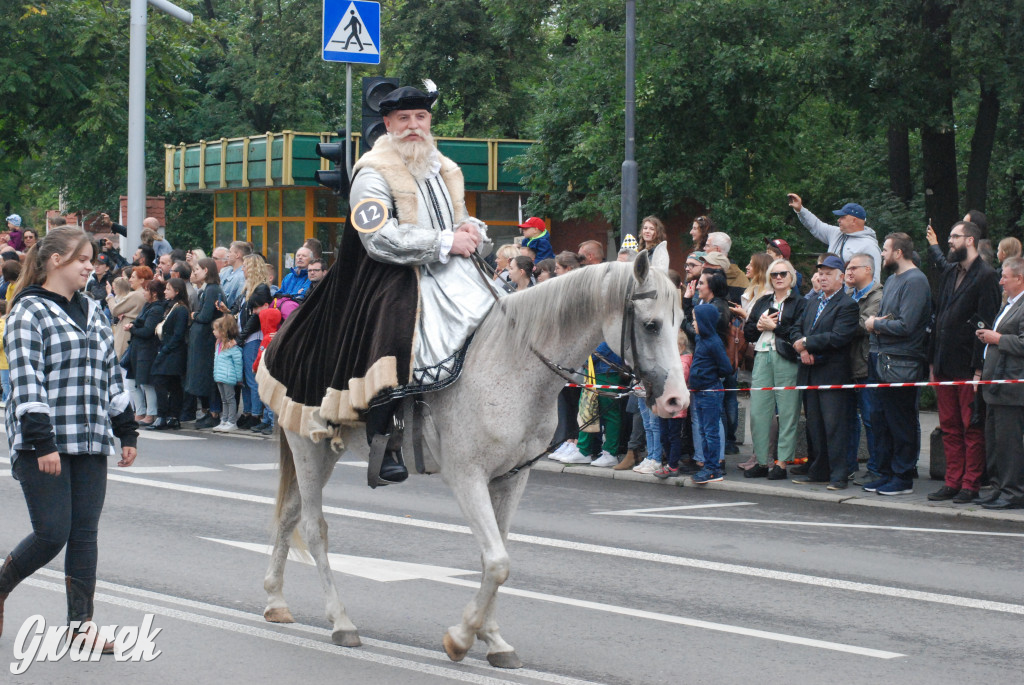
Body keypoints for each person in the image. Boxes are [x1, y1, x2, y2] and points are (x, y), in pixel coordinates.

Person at [257, 83, 496, 485]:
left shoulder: (444, 168)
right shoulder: (371, 171)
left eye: (421, 117)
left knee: (504, 307)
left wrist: (473, 232)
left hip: (449, 269)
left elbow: (460, 222)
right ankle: (383, 439)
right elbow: (378, 237)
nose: (414, 126)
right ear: (387, 124)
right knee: (394, 326)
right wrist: (445, 241)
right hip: (388, 271)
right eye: (404, 119)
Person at [0, 226, 138, 653]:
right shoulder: (28, 312)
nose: (90, 266)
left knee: (84, 535)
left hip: (91, 437)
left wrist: (126, 428)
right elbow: (27, 381)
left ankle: (81, 627)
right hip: (43, 442)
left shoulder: (95, 309)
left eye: (92, 260)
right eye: (82, 259)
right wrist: (43, 443)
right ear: (55, 260)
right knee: (52, 533)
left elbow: (110, 372)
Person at [924, 221, 1000, 504]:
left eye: (954, 237)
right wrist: (932, 362)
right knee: (949, 426)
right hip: (943, 363)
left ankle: (971, 484)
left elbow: (988, 322)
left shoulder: (986, 276)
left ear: (969, 240)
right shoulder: (950, 273)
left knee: (972, 428)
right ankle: (952, 480)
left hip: (968, 366)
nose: (949, 242)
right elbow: (939, 316)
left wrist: (979, 369)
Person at [863, 233, 932, 496]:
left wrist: (876, 324)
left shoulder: (916, 281)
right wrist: (879, 323)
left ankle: (902, 476)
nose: (881, 253)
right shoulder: (892, 279)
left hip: (902, 361)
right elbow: (889, 317)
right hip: (882, 358)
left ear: (898, 253)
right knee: (881, 419)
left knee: (900, 420)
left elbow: (907, 324)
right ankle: (888, 472)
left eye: (885, 249)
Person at [790, 255, 859, 489]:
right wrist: (801, 349)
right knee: (814, 426)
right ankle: (818, 470)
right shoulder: (811, 302)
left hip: (832, 374)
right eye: (821, 273)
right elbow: (796, 328)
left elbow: (839, 337)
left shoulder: (848, 305)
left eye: (829, 273)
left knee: (834, 426)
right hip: (808, 372)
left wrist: (808, 343)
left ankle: (839, 475)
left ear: (841, 278)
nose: (823, 277)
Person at [742, 259, 807, 478]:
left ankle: (781, 462)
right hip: (762, 356)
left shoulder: (800, 303)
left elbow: (800, 332)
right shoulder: (763, 301)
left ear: (791, 278)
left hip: (786, 358)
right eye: (774, 274)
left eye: (783, 274)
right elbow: (748, 331)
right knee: (759, 411)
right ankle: (761, 461)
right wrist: (759, 326)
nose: (778, 278)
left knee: (788, 411)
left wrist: (776, 328)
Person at [975, 257, 1024, 509]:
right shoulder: (1009, 304)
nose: (1001, 281)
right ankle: (997, 487)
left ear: (1019, 278)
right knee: (994, 442)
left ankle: (1012, 491)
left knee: (1009, 443)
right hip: (994, 386)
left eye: (1005, 277)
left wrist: (997, 338)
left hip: (1012, 388)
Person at [844, 253, 884, 484]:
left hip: (867, 364)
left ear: (868, 270)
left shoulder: (878, 296)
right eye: (847, 269)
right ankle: (848, 466)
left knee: (871, 419)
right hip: (848, 365)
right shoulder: (849, 294)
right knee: (849, 419)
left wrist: (837, 322)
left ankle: (876, 468)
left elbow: (863, 326)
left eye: (853, 268)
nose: (848, 272)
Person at [787, 194, 882, 281]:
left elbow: (875, 279)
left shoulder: (869, 246)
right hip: (831, 293)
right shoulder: (837, 233)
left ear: (854, 220)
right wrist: (800, 209)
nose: (838, 220)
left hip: (853, 297)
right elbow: (816, 226)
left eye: (842, 217)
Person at [689, 303, 732, 484]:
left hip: (710, 392)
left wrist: (708, 376)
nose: (693, 324)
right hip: (699, 393)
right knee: (703, 431)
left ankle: (714, 469)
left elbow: (726, 368)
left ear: (705, 322)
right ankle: (707, 465)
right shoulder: (701, 340)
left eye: (695, 320)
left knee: (710, 432)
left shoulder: (714, 342)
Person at [185, 257, 224, 429]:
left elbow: (206, 315)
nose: (195, 273)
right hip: (203, 338)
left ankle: (214, 412)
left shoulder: (212, 289)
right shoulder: (207, 289)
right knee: (204, 376)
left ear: (206, 270)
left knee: (209, 376)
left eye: (197, 270)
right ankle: (209, 411)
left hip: (208, 339)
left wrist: (195, 315)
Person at [146, 278, 191, 431]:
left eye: (168, 289)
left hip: (173, 352)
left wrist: (164, 350)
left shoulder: (181, 309)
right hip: (170, 350)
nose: (165, 292)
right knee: (173, 384)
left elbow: (178, 334)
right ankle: (172, 416)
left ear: (177, 291)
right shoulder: (172, 307)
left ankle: (164, 416)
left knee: (162, 380)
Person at [236, 255, 273, 431]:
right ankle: (248, 411)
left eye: (245, 266)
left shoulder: (261, 289)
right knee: (244, 379)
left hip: (254, 337)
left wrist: (241, 337)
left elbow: (256, 318)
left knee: (252, 378)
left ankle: (257, 413)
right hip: (246, 337)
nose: (242, 269)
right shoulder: (247, 289)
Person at [125, 280, 169, 427]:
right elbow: (140, 322)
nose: (143, 292)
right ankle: (140, 411)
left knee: (147, 382)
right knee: (133, 382)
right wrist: (134, 325)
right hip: (137, 349)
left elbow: (147, 331)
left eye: (146, 290)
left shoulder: (156, 309)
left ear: (154, 293)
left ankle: (150, 413)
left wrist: (132, 329)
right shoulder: (147, 306)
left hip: (146, 350)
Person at [108, 267, 149, 362]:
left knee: (119, 358)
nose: (130, 280)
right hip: (133, 327)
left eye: (133, 277)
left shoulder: (135, 294)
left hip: (126, 329)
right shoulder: (141, 294)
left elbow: (114, 310)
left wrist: (109, 296)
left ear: (142, 280)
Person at [211, 315, 244, 432]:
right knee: (224, 399)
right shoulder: (219, 345)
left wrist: (239, 378)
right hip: (220, 377)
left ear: (223, 331)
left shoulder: (232, 348)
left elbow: (238, 363)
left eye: (215, 330)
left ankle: (231, 421)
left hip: (228, 377)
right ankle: (224, 420)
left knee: (230, 399)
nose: (213, 332)